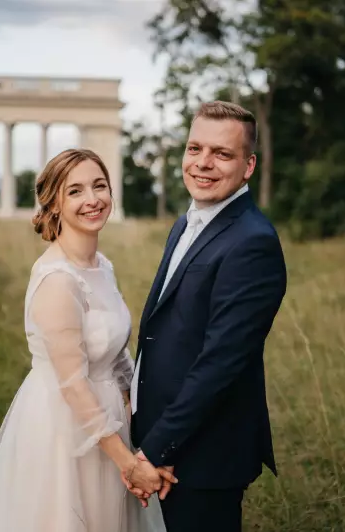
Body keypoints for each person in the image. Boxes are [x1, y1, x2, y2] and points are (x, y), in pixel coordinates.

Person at [0, 148, 173, 532]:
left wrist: (143, 424)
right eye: (75, 191)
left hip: (111, 425)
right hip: (65, 430)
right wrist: (128, 464)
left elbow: (116, 355)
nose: (92, 199)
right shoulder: (58, 281)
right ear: (54, 204)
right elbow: (73, 386)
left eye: (99, 186)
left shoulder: (101, 266)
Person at [128, 101, 288, 532]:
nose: (203, 163)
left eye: (222, 153)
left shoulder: (252, 243)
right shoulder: (186, 223)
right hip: (159, 433)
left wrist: (154, 451)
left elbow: (220, 364)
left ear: (249, 165)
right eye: (195, 148)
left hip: (203, 457)